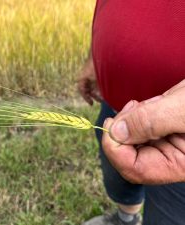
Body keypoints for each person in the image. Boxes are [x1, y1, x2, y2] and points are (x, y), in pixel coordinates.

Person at [78, 1, 185, 225]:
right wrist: (95, 56)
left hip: (178, 138)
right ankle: (126, 217)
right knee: (117, 172)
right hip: (113, 107)